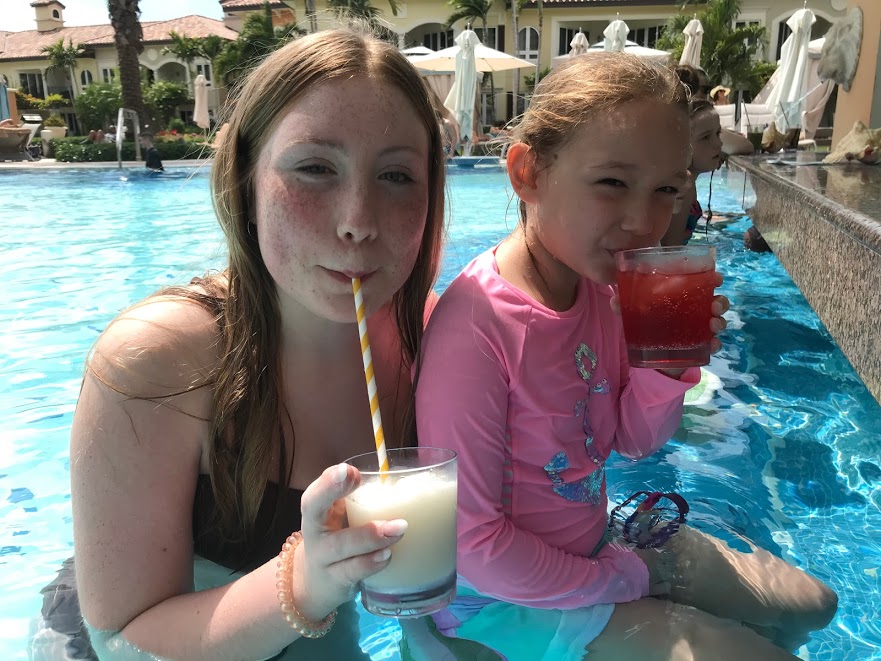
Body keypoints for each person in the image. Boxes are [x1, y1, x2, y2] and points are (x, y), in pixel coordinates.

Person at [29, 27, 447, 660]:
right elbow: (120, 637)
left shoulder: (438, 339)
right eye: (314, 168)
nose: (358, 221)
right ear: (246, 183)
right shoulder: (161, 359)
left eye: (396, 175)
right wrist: (303, 583)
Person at [415, 53, 837, 661]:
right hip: (500, 599)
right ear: (528, 173)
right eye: (612, 183)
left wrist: (664, 369)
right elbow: (473, 546)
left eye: (666, 189)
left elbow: (633, 442)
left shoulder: (603, 291)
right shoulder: (477, 328)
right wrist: (628, 579)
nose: (643, 221)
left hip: (593, 545)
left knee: (814, 604)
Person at [663, 99, 723, 246]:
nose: (719, 143)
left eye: (718, 133)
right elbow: (671, 250)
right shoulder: (683, 187)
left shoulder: (685, 181)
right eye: (705, 137)